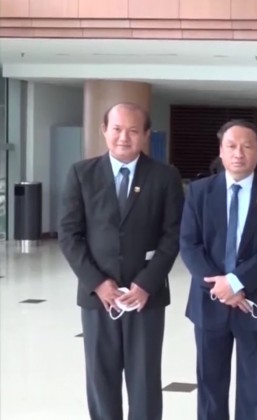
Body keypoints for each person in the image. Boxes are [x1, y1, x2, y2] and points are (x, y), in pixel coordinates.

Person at [58, 102, 184, 420]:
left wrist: (146, 284)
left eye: (132, 130)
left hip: (146, 297)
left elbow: (173, 236)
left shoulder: (165, 176)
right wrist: (98, 283)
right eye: (116, 129)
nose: (123, 137)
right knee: (101, 378)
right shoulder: (81, 174)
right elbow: (69, 235)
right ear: (104, 130)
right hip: (98, 297)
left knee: (145, 379)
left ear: (145, 134)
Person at [180, 119, 257, 420]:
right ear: (221, 150)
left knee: (254, 387)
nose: (238, 153)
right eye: (231, 146)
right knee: (210, 387)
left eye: (247, 146)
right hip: (209, 301)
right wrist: (221, 287)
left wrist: (237, 282)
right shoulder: (199, 192)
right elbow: (189, 245)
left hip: (253, 301)